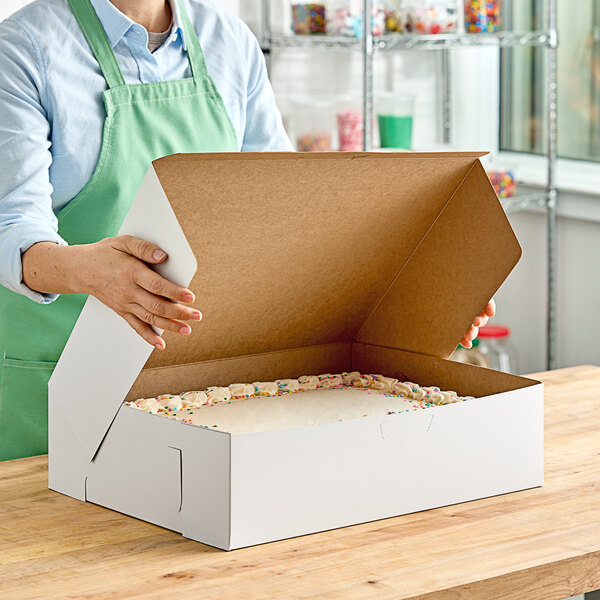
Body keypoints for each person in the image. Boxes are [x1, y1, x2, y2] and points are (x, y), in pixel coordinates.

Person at [0, 0, 492, 462]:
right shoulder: (25, 48)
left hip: (198, 383)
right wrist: (92, 272)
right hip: (59, 377)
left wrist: (418, 293)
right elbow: (12, 227)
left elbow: (280, 206)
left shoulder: (229, 42)